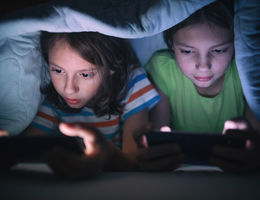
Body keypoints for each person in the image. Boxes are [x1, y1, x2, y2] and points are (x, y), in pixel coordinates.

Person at [136, 1, 260, 173]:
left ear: (235, 45)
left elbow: (255, 140)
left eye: (218, 51)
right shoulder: (163, 69)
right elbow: (158, 135)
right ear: (172, 45)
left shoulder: (244, 71)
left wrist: (251, 141)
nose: (203, 66)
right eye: (187, 51)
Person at [22, 31, 160, 178]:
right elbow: (27, 149)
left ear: (112, 65)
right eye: (58, 70)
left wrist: (106, 156)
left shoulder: (131, 83)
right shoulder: (50, 91)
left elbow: (135, 160)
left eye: (85, 74)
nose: (69, 89)